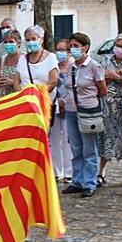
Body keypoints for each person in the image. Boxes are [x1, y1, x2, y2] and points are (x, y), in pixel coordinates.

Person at [61, 32, 107, 198]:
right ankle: (77, 181)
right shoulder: (70, 66)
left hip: (88, 111)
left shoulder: (94, 66)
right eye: (71, 46)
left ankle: (89, 182)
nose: (73, 49)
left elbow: (102, 89)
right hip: (72, 111)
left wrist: (89, 100)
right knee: (76, 147)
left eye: (76, 46)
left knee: (89, 148)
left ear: (85, 48)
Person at [97, 34, 122, 187]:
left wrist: (116, 75)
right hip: (108, 105)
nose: (119, 49)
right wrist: (121, 75)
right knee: (105, 138)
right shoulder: (106, 60)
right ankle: (101, 172)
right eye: (117, 45)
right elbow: (102, 78)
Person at [50, 39, 74, 183]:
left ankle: (69, 171)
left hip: (69, 106)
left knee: (68, 140)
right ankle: (56, 170)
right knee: (54, 139)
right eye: (57, 50)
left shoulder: (72, 68)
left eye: (62, 50)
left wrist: (65, 100)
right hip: (53, 106)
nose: (60, 53)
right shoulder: (53, 68)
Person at [16, 25, 59, 91]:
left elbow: (53, 82)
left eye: (34, 39)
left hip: (45, 98)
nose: (31, 42)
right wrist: (22, 95)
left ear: (42, 39)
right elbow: (16, 81)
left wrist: (37, 96)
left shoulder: (51, 58)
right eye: (28, 40)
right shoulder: (22, 59)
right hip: (25, 98)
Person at [0, 29, 22, 97]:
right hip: (2, 97)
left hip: (17, 97)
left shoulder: (23, 59)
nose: (8, 44)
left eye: (11, 42)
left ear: (18, 43)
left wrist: (13, 83)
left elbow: (27, 81)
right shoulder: (3, 59)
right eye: (5, 42)